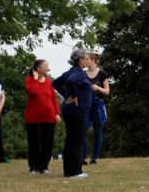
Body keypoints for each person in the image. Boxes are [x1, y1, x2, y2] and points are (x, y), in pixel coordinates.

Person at [53, 49, 96, 178]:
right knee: (76, 140)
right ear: (80, 60)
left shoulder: (69, 72)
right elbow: (71, 82)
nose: (87, 60)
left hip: (71, 110)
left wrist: (66, 96)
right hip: (77, 111)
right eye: (86, 58)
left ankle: (70, 170)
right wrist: (73, 95)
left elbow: (55, 83)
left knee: (71, 139)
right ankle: (75, 171)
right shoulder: (78, 73)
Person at [24, 59, 61, 174]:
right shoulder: (29, 80)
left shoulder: (50, 81)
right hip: (33, 117)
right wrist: (35, 79)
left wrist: (57, 113)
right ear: (38, 69)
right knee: (34, 143)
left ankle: (44, 166)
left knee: (47, 143)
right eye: (46, 66)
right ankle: (34, 167)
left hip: (48, 116)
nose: (48, 68)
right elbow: (32, 92)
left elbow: (53, 98)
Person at [84, 51, 110, 165]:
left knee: (97, 131)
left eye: (87, 59)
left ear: (93, 60)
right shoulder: (83, 74)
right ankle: (83, 157)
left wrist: (98, 88)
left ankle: (94, 158)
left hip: (98, 105)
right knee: (83, 130)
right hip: (86, 105)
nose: (85, 61)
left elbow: (107, 91)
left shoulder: (102, 74)